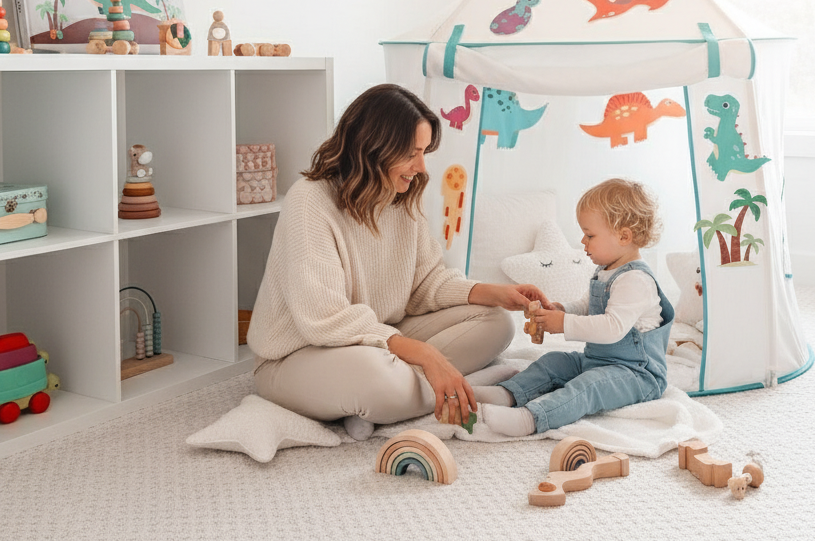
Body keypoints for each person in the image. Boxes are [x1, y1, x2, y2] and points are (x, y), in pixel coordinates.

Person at [247, 83, 547, 440]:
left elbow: (424, 284)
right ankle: (473, 389)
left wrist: (496, 293)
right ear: (373, 147)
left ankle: (381, 403)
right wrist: (427, 356)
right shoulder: (309, 202)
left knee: (496, 322)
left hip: (376, 337)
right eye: (411, 153)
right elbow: (325, 319)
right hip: (298, 356)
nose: (420, 167)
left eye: (424, 152)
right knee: (377, 377)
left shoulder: (400, 197)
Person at [475, 178, 675, 437]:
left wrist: (563, 324)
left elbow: (612, 328)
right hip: (597, 361)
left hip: (635, 375)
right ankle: (508, 393)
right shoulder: (605, 271)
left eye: (590, 235)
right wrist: (561, 309)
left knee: (588, 387)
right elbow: (586, 306)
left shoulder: (636, 280)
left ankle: (532, 418)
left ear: (624, 236)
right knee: (553, 362)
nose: (583, 241)